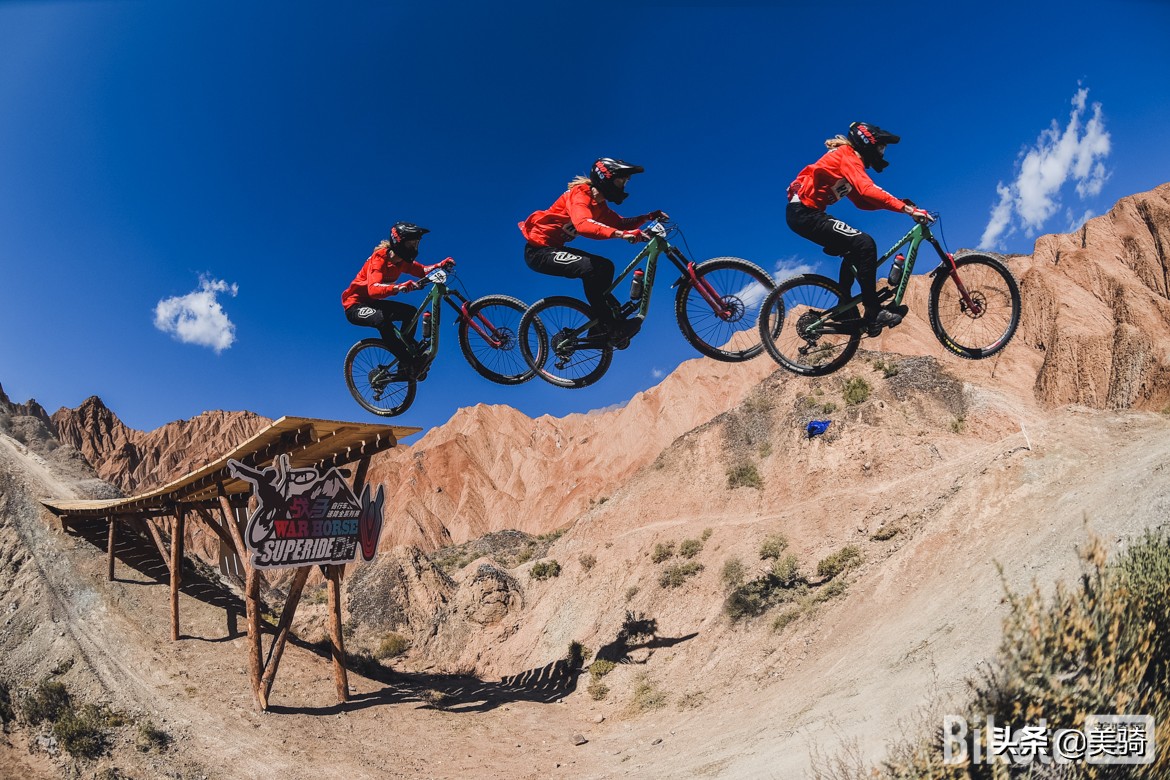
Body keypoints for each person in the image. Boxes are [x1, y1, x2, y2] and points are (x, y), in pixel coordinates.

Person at [786, 122, 932, 336]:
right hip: (805, 214)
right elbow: (868, 189)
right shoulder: (848, 155)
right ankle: (873, 311)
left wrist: (900, 204)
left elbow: (863, 201)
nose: (882, 152)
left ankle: (844, 308)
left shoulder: (848, 160)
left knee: (856, 248)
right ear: (868, 143)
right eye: (881, 147)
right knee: (865, 243)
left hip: (805, 215)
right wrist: (906, 209)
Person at [519, 158, 668, 343]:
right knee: (594, 269)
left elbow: (621, 222)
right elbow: (583, 225)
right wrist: (622, 235)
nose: (624, 186)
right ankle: (611, 327)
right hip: (538, 252)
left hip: (552, 248)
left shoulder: (600, 207)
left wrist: (647, 217)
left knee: (605, 266)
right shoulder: (579, 195)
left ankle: (599, 328)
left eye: (626, 182)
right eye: (621, 181)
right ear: (606, 179)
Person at [341, 222, 453, 379]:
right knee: (382, 320)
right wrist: (398, 287)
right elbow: (373, 289)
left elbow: (422, 270)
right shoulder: (379, 259)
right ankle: (408, 362)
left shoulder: (401, 262)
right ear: (399, 243)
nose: (414, 247)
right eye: (411, 243)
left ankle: (405, 360)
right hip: (355, 305)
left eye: (416, 243)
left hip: (373, 303)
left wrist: (440, 264)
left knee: (410, 313)